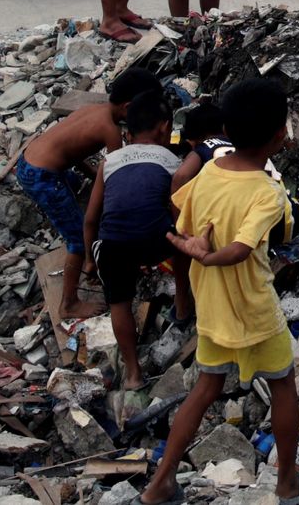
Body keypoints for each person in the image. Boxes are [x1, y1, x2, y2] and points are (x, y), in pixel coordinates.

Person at [144, 79, 299, 505]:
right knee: (284, 387)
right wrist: (208, 255)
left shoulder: (206, 174)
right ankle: (287, 482)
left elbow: (182, 218)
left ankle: (161, 481)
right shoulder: (268, 192)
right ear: (279, 136)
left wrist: (192, 247)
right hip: (255, 310)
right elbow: (239, 250)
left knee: (205, 389)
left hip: (212, 310)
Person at [178, 106, 299, 321]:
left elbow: (180, 176)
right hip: (280, 218)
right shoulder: (245, 144)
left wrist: (180, 220)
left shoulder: (202, 151)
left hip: (242, 227)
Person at [14, 67, 162, 319]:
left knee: (80, 192)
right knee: (77, 241)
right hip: (44, 178)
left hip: (28, 162)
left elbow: (73, 149)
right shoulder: (111, 131)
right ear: (128, 108)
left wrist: (94, 174)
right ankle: (69, 303)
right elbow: (119, 177)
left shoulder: (93, 110)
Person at [83, 91, 194, 391]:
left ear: (127, 133)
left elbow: (92, 217)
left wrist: (90, 260)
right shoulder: (172, 160)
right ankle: (183, 308)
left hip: (114, 243)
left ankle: (132, 374)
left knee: (119, 302)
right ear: (163, 127)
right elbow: (178, 212)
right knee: (182, 245)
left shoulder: (110, 161)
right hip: (155, 239)